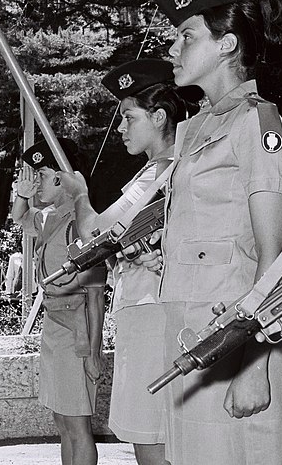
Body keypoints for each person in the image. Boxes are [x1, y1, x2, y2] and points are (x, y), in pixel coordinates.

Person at [148, 0, 282, 464]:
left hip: (235, 344)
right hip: (189, 337)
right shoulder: (193, 132)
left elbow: (275, 264)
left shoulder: (259, 122)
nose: (173, 48)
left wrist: (256, 365)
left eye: (186, 36)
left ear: (226, 44)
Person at [58, 59, 197, 465]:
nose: (120, 128)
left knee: (149, 435)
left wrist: (80, 194)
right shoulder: (167, 169)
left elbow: (95, 234)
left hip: (151, 314)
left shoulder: (164, 170)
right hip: (154, 310)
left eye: (128, 117)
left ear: (158, 117)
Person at [12, 140, 106, 465]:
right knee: (62, 422)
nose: (37, 181)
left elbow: (95, 295)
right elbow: (19, 219)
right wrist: (22, 195)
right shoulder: (52, 220)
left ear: (63, 178)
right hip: (54, 330)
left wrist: (94, 352)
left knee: (78, 424)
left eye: (42, 174)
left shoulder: (82, 223)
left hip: (76, 336)